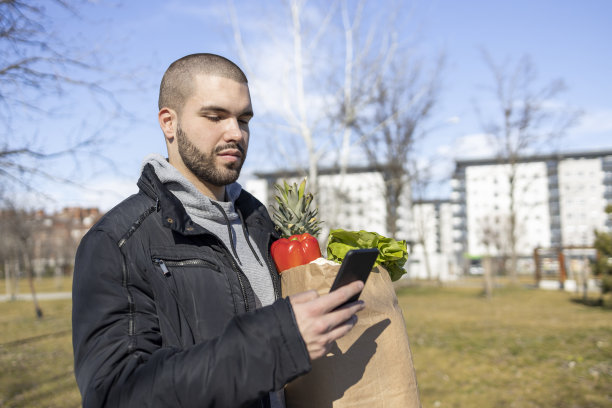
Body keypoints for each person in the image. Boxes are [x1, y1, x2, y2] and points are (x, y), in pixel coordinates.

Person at [72, 53, 365, 408]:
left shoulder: (263, 225)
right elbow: (116, 393)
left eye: (244, 119)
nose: (235, 133)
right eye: (215, 117)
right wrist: (275, 344)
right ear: (169, 123)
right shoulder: (116, 242)